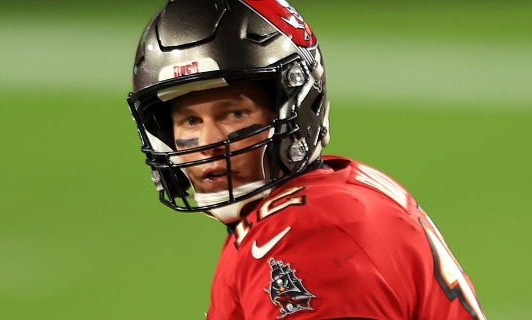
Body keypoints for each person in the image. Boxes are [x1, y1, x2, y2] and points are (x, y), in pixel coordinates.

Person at [126, 0, 487, 319]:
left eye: (234, 114)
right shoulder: (320, 198)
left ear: (296, 107)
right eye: (190, 121)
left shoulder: (303, 234)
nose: (207, 143)